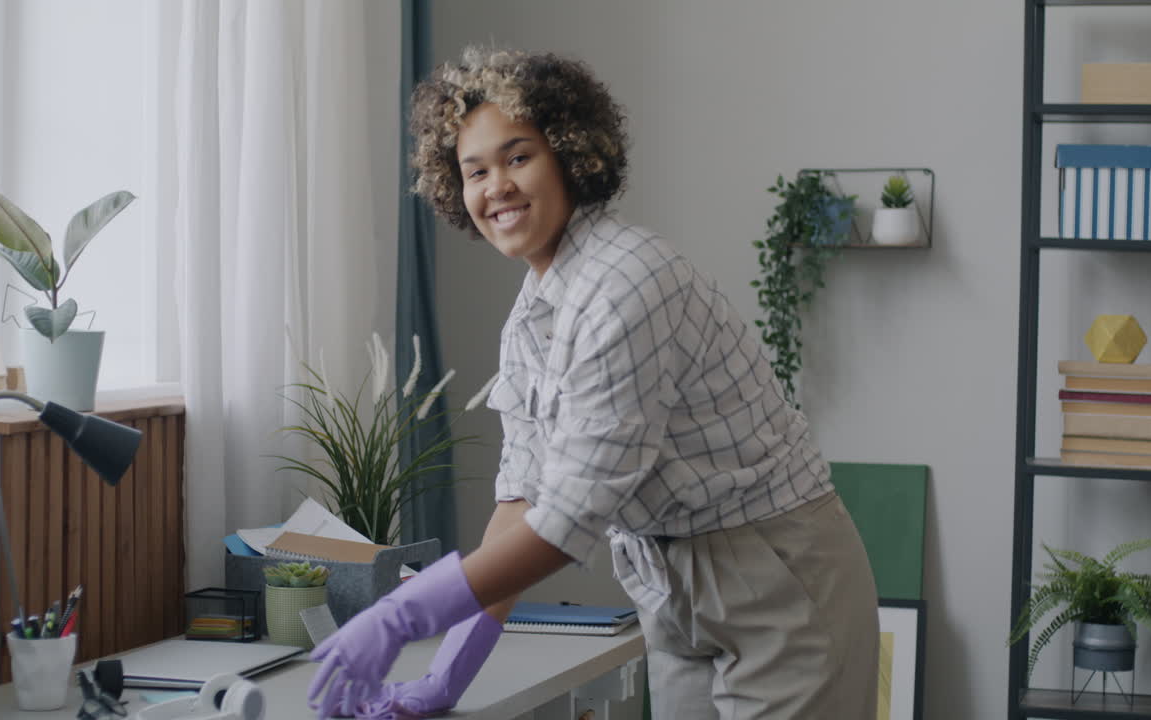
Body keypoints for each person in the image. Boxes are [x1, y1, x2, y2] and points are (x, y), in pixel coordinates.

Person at [307, 46, 879, 720]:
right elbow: (522, 503)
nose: (497, 186)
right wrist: (445, 676)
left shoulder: (627, 282)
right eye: (475, 171)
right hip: (669, 590)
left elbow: (567, 522)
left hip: (776, 578)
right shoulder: (533, 316)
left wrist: (401, 615)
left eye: (518, 157)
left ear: (570, 155)